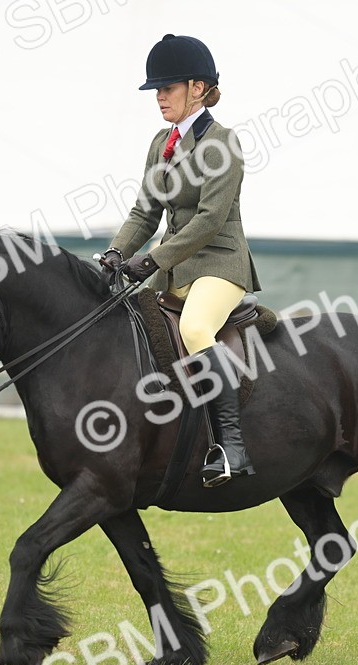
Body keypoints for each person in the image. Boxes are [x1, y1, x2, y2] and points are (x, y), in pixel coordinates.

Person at [101, 34, 261, 488]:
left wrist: (151, 261)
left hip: (219, 266)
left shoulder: (223, 143)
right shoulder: (160, 144)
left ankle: (231, 446)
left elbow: (210, 221)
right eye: (157, 89)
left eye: (167, 87)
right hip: (173, 269)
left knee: (194, 329)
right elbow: (145, 212)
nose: (159, 97)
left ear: (197, 87)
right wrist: (117, 253)